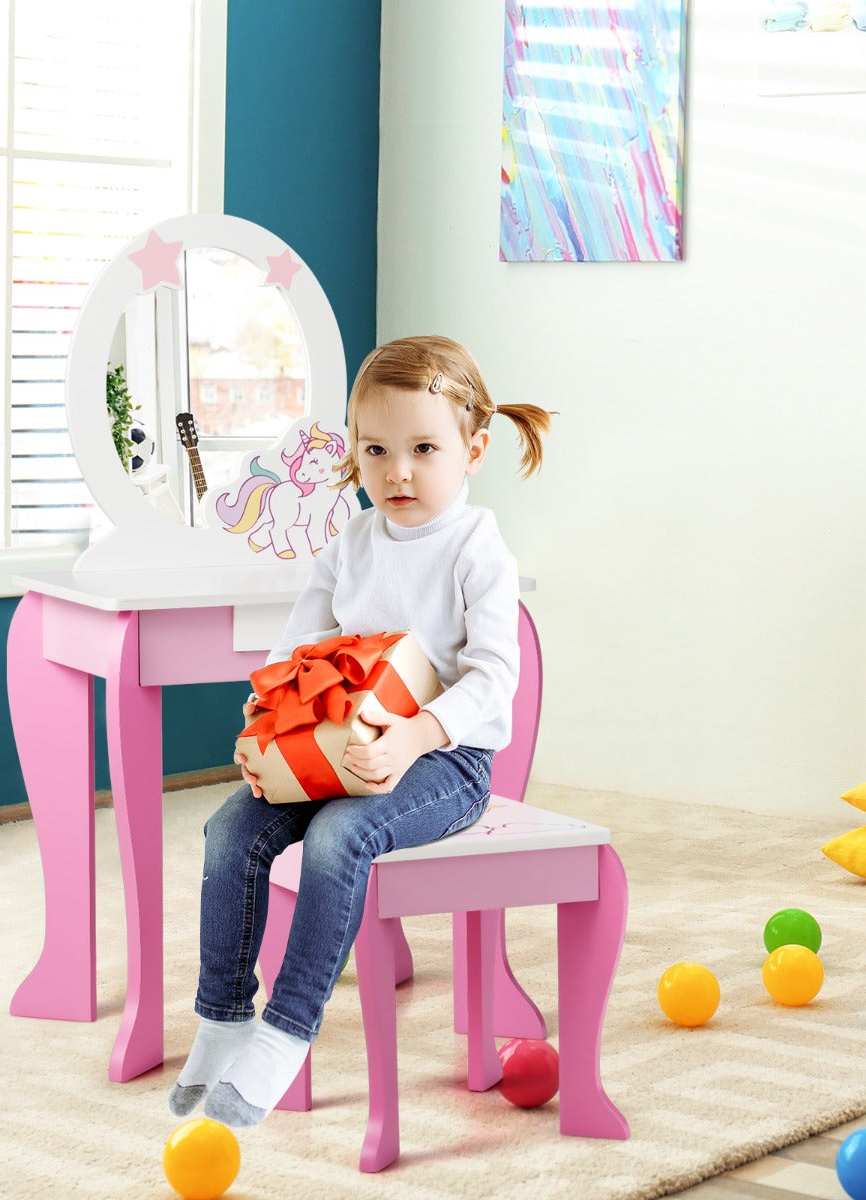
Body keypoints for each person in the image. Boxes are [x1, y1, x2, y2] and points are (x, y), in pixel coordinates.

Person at [168, 334, 552, 1128]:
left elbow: (493, 678)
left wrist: (414, 737)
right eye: (376, 450)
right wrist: (261, 732)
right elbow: (295, 654)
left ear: (473, 450)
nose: (397, 472)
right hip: (338, 747)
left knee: (340, 836)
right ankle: (223, 1017)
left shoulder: (477, 546)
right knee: (229, 829)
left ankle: (287, 1030)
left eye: (423, 449)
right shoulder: (350, 542)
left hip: (449, 760)